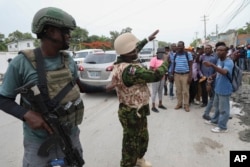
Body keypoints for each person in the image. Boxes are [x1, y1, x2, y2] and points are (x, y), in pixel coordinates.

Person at [0, 7, 106, 167]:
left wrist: (106, 87)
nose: (70, 36)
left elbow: (79, 86)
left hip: (70, 137)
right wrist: (26, 114)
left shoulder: (68, 60)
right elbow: (3, 98)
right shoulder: (21, 63)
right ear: (50, 31)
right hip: (38, 143)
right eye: (66, 31)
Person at [106, 30, 168, 167]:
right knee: (131, 143)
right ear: (128, 53)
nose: (136, 51)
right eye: (133, 50)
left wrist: (147, 39)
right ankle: (127, 164)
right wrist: (166, 62)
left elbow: (134, 49)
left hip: (138, 108)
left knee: (142, 137)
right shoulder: (130, 70)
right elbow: (155, 76)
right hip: (131, 112)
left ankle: (139, 159)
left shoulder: (123, 58)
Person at [203, 45, 234, 133]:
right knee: (217, 106)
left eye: (221, 50)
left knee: (224, 109)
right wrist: (212, 76)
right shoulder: (220, 60)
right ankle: (215, 120)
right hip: (218, 87)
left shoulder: (229, 62)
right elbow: (218, 71)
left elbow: (224, 72)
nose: (219, 52)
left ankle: (223, 127)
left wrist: (212, 65)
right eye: (217, 50)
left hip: (225, 88)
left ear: (226, 52)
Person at [172, 41, 193, 112]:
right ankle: (179, 104)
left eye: (180, 46)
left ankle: (186, 105)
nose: (179, 47)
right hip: (177, 75)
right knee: (178, 91)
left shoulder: (188, 54)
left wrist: (190, 76)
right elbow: (174, 65)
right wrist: (172, 74)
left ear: (183, 47)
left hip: (185, 75)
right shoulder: (175, 55)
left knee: (186, 91)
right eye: (178, 46)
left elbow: (191, 66)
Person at [149, 47, 168, 112]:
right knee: (154, 92)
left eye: (163, 53)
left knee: (160, 91)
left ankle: (160, 104)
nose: (162, 54)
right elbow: (150, 68)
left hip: (162, 78)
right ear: (158, 53)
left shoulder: (163, 60)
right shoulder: (154, 59)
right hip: (155, 78)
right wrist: (155, 73)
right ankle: (153, 106)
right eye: (161, 53)